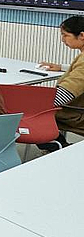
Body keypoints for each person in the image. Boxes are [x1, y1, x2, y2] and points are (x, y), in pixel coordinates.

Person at [38, 15, 84, 148]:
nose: (62, 40)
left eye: (65, 35)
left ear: (82, 35)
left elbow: (64, 95)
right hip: (78, 110)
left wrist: (36, 105)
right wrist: (62, 67)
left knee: (30, 114)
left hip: (76, 114)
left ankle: (59, 148)